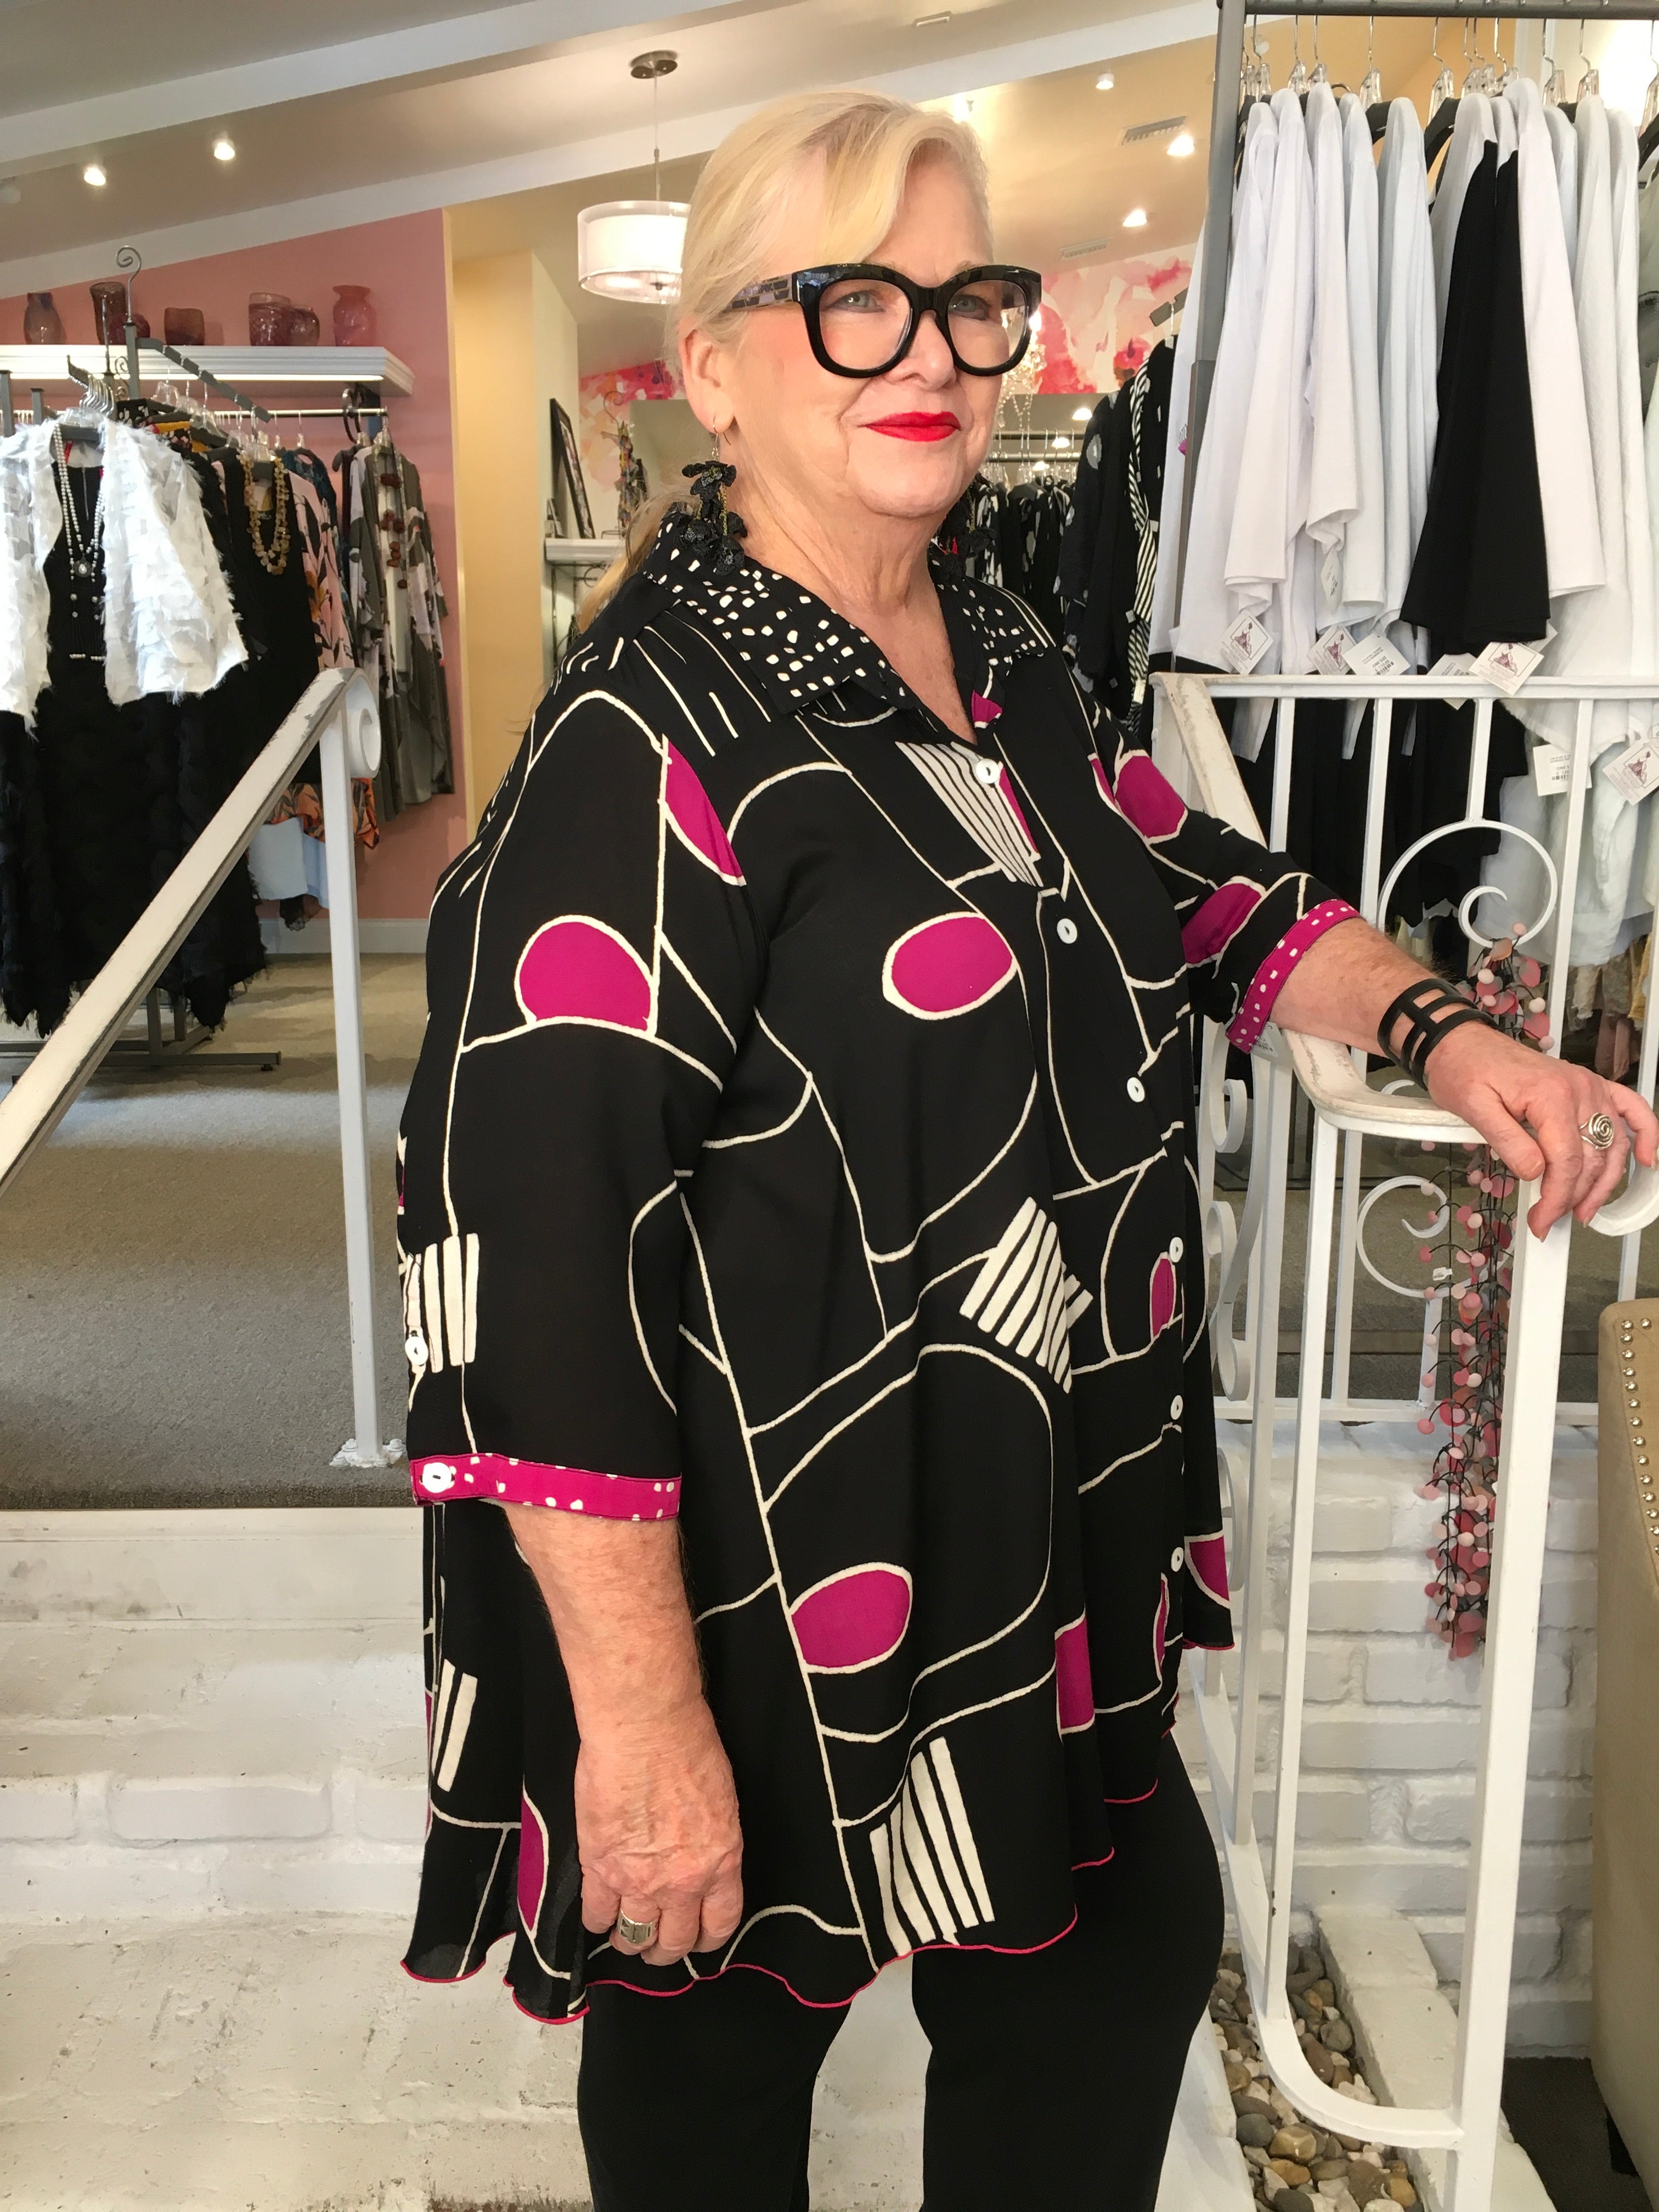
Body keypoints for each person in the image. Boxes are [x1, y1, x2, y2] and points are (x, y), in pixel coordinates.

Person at [394, 88, 1656, 2212]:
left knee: (1111, 1961)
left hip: (1022, 1503)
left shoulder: (990, 641)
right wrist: (643, 1723)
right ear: (711, 368)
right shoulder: (648, 740)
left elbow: (1178, 874)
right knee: (715, 2057)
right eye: (851, 300)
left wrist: (1436, 1027)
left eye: (966, 300)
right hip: (760, 1568)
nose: (931, 356)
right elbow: (527, 1261)